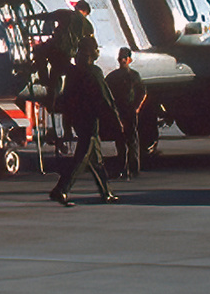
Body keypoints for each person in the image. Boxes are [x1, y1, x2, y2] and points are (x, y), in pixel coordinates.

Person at [49, 39, 119, 207]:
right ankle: (62, 189)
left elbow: (66, 98)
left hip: (77, 119)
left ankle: (106, 192)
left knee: (96, 158)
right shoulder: (93, 72)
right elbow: (105, 97)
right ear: (90, 53)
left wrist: (67, 125)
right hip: (89, 119)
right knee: (82, 156)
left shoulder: (72, 73)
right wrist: (116, 119)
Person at [105, 47, 146, 179]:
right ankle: (122, 168)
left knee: (132, 140)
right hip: (118, 111)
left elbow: (142, 91)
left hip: (129, 110)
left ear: (129, 60)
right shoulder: (113, 77)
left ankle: (133, 169)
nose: (122, 60)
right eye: (120, 57)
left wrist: (137, 107)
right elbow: (106, 93)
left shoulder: (134, 75)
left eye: (124, 57)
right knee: (120, 140)